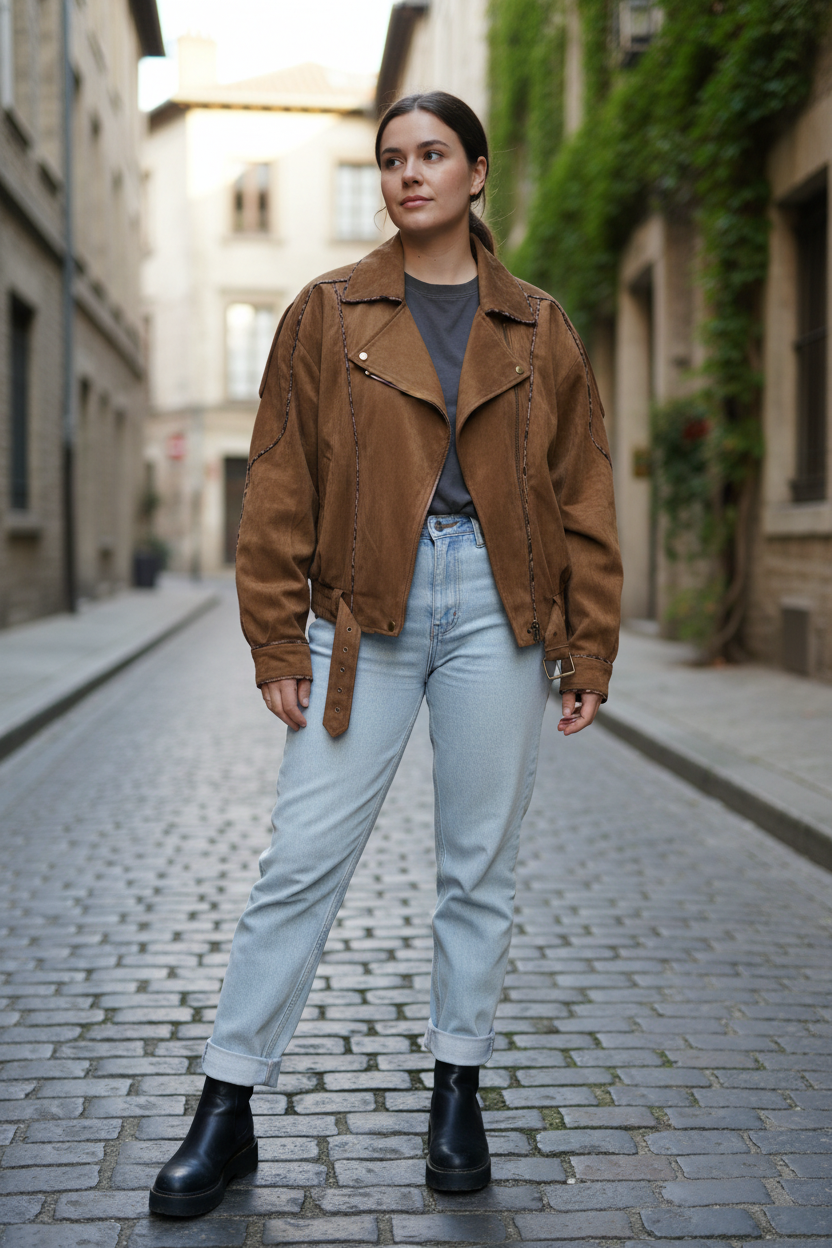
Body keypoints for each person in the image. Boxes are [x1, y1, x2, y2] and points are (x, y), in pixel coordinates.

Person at [149, 90, 622, 1218]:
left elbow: (582, 489)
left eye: (432, 155)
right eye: (392, 159)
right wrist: (275, 628)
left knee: (477, 871)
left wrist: (587, 641)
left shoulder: (538, 325)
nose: (410, 175)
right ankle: (226, 1108)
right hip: (363, 616)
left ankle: (455, 1089)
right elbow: (278, 479)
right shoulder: (326, 312)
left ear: (477, 173)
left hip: (498, 613)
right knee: (298, 861)